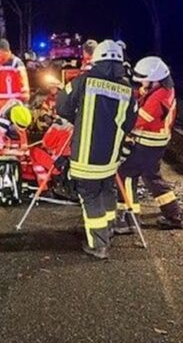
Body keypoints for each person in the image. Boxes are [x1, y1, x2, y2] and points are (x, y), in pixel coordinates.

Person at [57, 39, 137, 260]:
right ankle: (109, 228)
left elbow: (62, 104)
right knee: (106, 189)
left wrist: (78, 118)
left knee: (90, 196)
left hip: (85, 155)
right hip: (111, 156)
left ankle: (99, 244)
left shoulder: (84, 81)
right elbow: (131, 122)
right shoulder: (128, 89)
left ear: (96, 59)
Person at [116, 56, 183, 232]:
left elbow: (138, 119)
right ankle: (173, 215)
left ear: (155, 79)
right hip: (155, 143)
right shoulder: (162, 90)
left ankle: (130, 220)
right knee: (152, 178)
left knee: (126, 175)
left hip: (148, 143)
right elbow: (141, 95)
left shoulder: (160, 97)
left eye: (145, 79)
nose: (142, 83)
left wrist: (117, 121)